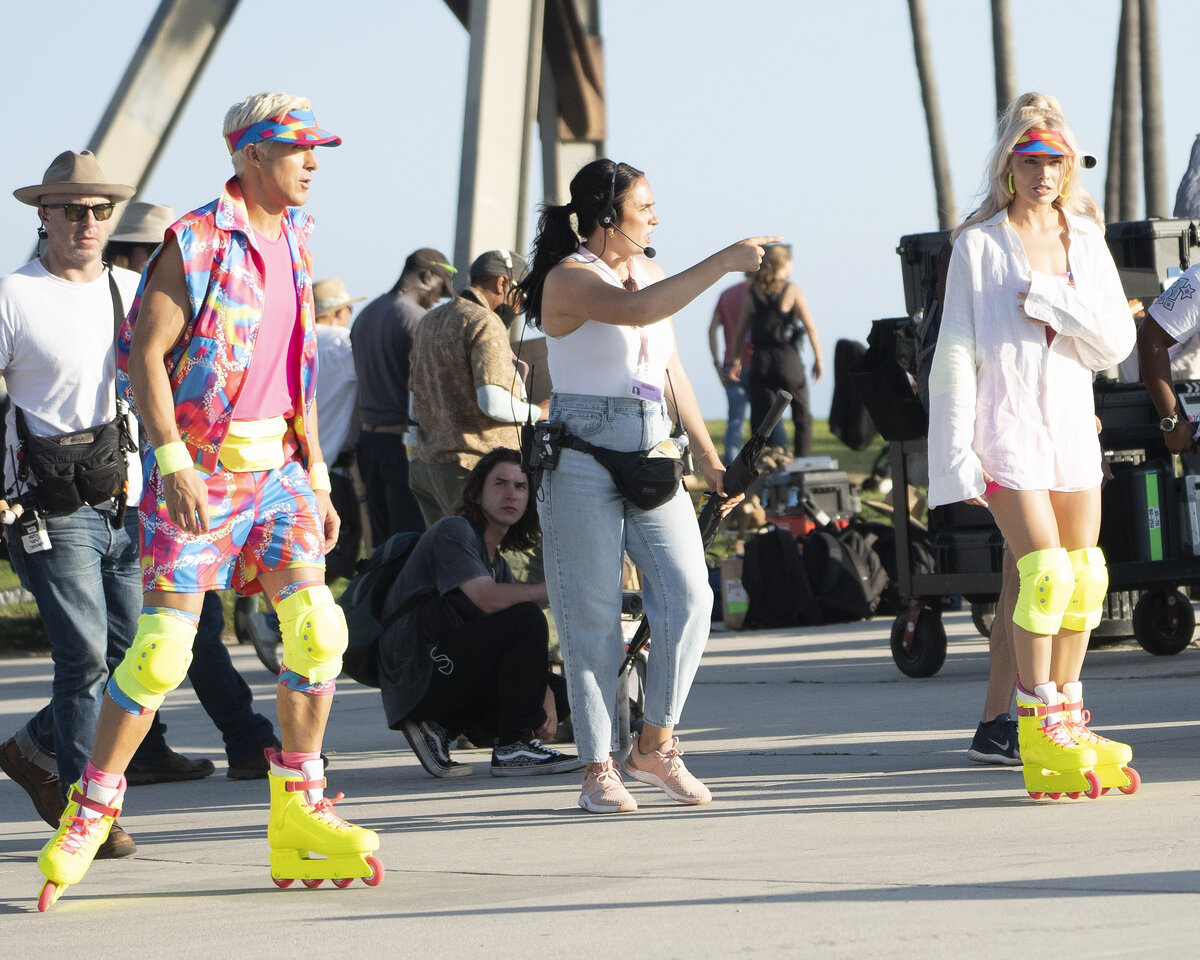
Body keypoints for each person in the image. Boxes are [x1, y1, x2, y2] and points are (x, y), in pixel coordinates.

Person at [34, 93, 381, 911]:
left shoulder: (294, 239)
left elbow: (296, 374)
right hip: (203, 467)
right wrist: (172, 461)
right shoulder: (191, 241)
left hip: (282, 471)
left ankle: (299, 811)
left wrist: (320, 478)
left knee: (317, 632)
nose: (314, 164)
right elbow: (144, 356)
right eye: (300, 149)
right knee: (160, 652)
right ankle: (90, 808)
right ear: (252, 155)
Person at [518, 156, 774, 813]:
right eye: (645, 206)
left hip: (653, 440)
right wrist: (722, 261)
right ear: (608, 216)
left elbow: (674, 372)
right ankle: (597, 768)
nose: (656, 216)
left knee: (689, 594)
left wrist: (713, 462)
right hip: (580, 448)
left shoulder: (655, 272)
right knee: (592, 614)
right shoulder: (568, 278)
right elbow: (634, 312)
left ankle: (655, 744)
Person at [0, 152, 210, 862]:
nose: (86, 221)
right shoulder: (14, 295)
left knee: (136, 656)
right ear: (44, 216)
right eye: (71, 210)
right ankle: (90, 808)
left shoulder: (133, 285)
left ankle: (32, 748)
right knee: (83, 657)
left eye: (98, 210)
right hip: (48, 505)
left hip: (128, 498)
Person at [926, 93, 1137, 800]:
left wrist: (1054, 300)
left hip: (1073, 427)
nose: (1044, 172)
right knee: (1044, 574)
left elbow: (1116, 340)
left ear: (1070, 167)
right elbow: (954, 351)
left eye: (1056, 161)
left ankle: (1068, 713)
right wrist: (956, 453)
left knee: (1087, 578)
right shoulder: (979, 246)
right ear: (1009, 165)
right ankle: (1033, 718)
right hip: (1006, 428)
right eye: (1031, 159)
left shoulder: (1085, 237)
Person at [106, 200, 280, 781]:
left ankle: (168, 748)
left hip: (149, 476)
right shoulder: (157, 287)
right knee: (156, 640)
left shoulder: (182, 287)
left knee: (162, 636)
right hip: (128, 481)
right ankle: (243, 739)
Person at [377, 448, 579, 778]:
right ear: (478, 491)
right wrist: (560, 588)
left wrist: (541, 690)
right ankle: (512, 747)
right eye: (500, 483)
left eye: (521, 486)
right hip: (417, 670)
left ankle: (443, 727)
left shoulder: (497, 564)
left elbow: (511, 648)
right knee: (526, 616)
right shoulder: (454, 531)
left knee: (559, 691)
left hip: (444, 673)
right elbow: (487, 600)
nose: (511, 494)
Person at [409, 249, 542, 527]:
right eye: (522, 296)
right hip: (473, 469)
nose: (520, 307)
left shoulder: (430, 320)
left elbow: (413, 402)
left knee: (451, 560)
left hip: (430, 465)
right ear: (503, 283)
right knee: (493, 561)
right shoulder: (485, 321)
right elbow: (492, 402)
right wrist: (538, 413)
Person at [351, 247, 457, 544]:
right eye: (439, 289)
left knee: (384, 543)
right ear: (426, 276)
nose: (437, 299)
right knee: (410, 541)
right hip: (402, 446)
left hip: (368, 442)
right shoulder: (418, 320)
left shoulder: (366, 315)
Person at [730, 243, 824, 458]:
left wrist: (735, 360)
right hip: (786, 358)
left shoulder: (753, 291)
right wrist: (819, 359)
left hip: (761, 360)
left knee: (762, 421)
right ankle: (803, 463)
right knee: (801, 416)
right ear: (785, 263)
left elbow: (739, 332)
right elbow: (810, 328)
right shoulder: (792, 290)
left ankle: (759, 467)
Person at [312, 276, 364, 580]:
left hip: (290, 461)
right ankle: (271, 625)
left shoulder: (298, 338)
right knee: (337, 553)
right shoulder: (341, 344)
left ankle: (258, 617)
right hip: (329, 466)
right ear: (338, 313)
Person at [707, 276, 785, 463]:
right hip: (760, 363)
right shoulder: (763, 293)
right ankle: (779, 464)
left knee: (735, 422)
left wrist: (717, 364)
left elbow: (712, 329)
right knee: (773, 418)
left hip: (731, 365)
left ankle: (729, 469)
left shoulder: (726, 294)